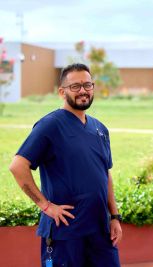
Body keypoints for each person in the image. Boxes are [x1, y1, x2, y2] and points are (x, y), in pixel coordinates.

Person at [9, 63, 122, 267]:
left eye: (87, 85)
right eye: (75, 86)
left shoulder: (100, 129)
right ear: (62, 92)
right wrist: (45, 206)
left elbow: (105, 174)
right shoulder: (50, 125)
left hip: (100, 230)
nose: (83, 91)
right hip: (65, 232)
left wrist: (114, 216)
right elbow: (18, 166)